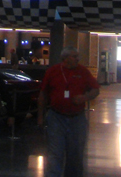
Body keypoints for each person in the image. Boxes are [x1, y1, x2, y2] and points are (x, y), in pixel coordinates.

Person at [38, 47, 100, 177]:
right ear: (65, 58)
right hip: (56, 117)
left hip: (77, 118)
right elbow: (43, 94)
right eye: (74, 56)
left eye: (77, 56)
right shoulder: (53, 71)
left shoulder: (83, 71)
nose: (78, 59)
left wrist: (85, 97)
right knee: (55, 153)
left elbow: (95, 89)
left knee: (75, 154)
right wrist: (40, 117)